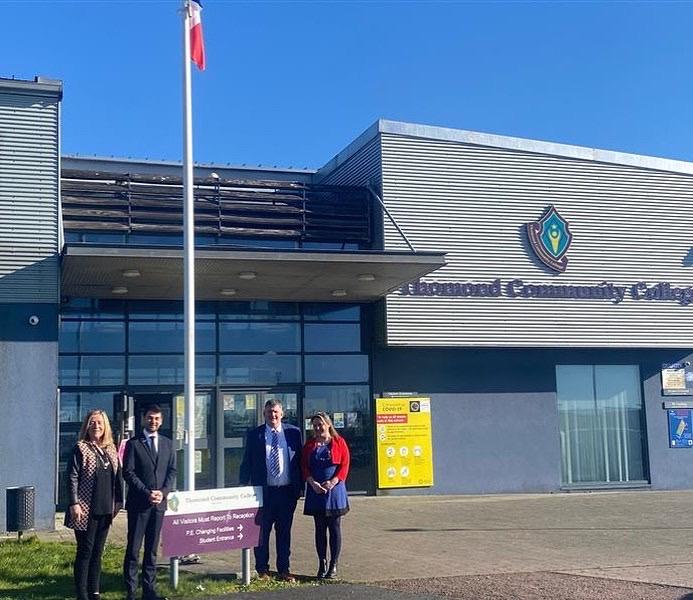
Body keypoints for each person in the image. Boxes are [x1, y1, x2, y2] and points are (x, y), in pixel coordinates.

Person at [239, 399, 303, 581]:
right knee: (262, 533)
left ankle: (284, 570)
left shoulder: (293, 433)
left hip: (286, 493)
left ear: (282, 414)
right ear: (264, 414)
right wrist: (243, 486)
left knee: (284, 533)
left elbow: (300, 461)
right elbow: (247, 462)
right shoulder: (255, 435)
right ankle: (262, 570)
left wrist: (301, 488)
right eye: (269, 412)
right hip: (264, 493)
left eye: (275, 412)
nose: (272, 415)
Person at [65, 409, 123, 600]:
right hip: (85, 509)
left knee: (98, 553)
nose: (96, 426)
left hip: (105, 509)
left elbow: (118, 478)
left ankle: (94, 592)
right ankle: (82, 594)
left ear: (105, 426)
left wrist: (118, 502)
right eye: (92, 422)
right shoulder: (80, 448)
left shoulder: (111, 449)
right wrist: (74, 503)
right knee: (85, 551)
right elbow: (72, 476)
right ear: (86, 426)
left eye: (99, 422)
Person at [123, 405, 177, 600]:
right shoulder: (133, 444)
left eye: (156, 418)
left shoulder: (168, 444)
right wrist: (147, 493)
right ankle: (131, 591)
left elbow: (172, 471)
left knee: (152, 550)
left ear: (161, 421)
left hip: (159, 505)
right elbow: (128, 472)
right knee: (133, 549)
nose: (153, 421)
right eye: (150, 418)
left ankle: (149, 590)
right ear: (143, 419)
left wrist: (163, 492)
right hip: (139, 504)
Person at [301, 412, 350, 580]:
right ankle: (322, 563)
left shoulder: (339, 442)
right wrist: (312, 483)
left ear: (328, 424)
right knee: (319, 529)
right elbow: (304, 467)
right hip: (316, 492)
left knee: (334, 528)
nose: (317, 427)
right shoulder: (309, 445)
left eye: (320, 424)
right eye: (314, 425)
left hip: (334, 491)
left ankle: (333, 565)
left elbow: (345, 465)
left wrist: (333, 481)